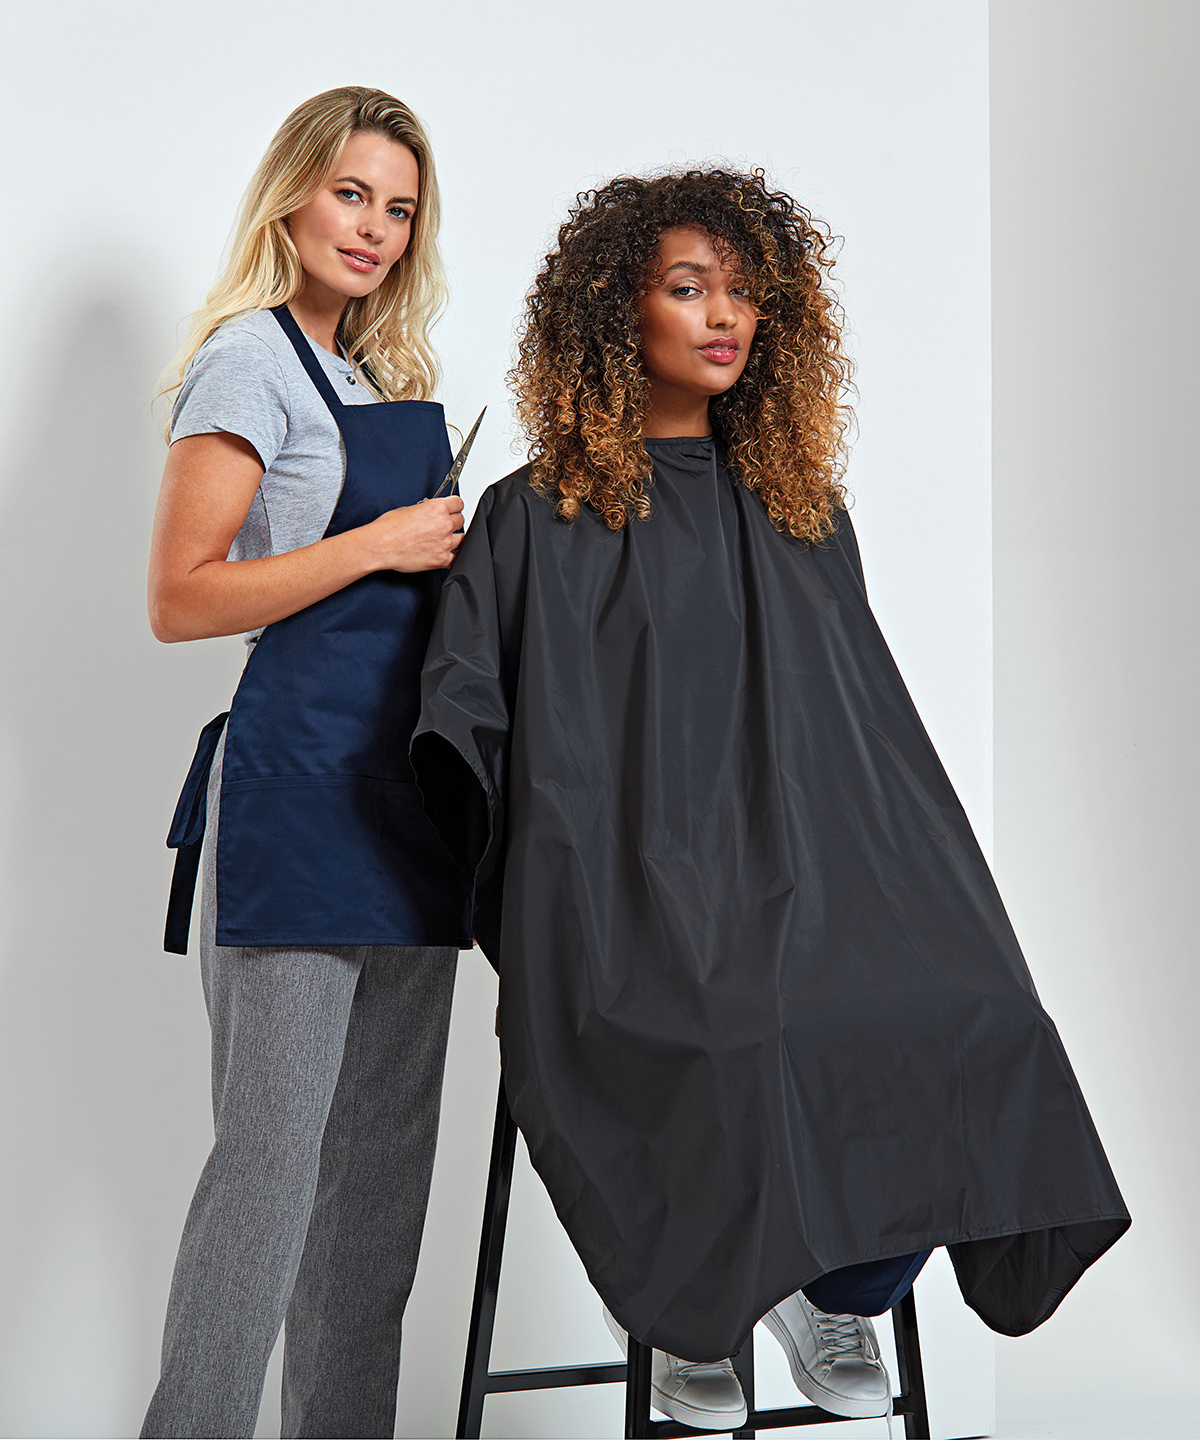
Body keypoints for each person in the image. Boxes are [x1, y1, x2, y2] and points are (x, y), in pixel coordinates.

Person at [411, 168, 1130, 1430]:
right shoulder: (535, 516)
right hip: (626, 907)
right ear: (614, 310)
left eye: (745, 293)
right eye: (689, 288)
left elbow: (864, 743)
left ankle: (836, 1286)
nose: (724, 316)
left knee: (975, 1017)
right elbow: (470, 731)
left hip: (807, 885)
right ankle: (686, 1308)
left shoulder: (803, 514)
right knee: (741, 1036)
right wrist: (559, 889)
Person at [142, 87, 471, 1439]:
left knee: (376, 1191)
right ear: (291, 193)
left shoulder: (372, 381)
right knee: (270, 1175)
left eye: (398, 208)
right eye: (351, 193)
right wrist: (382, 544)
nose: (374, 227)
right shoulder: (249, 365)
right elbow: (180, 597)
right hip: (292, 798)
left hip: (406, 805)